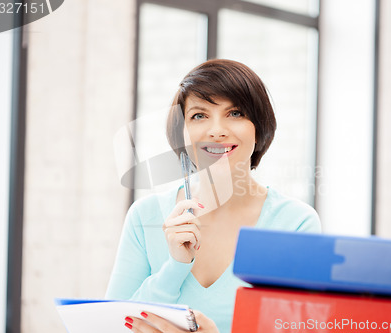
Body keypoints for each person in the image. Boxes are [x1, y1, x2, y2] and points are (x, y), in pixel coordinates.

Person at [106, 59, 321, 333]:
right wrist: (175, 267)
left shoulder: (295, 223)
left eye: (235, 113)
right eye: (199, 115)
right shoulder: (144, 216)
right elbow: (113, 326)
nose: (217, 130)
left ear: (259, 128)